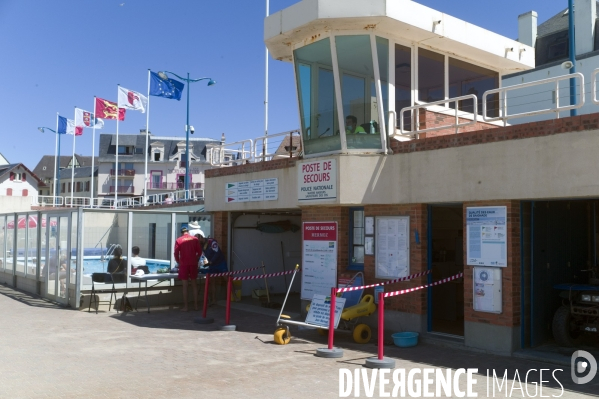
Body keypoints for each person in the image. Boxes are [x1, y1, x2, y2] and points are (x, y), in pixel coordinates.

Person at [174, 226, 202, 311]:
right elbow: (200, 252)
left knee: (185, 286)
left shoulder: (179, 240)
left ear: (181, 232)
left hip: (184, 264)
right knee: (194, 285)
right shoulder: (195, 239)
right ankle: (196, 306)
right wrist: (196, 258)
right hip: (193, 263)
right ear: (188, 231)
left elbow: (176, 253)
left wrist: (178, 261)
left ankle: (186, 307)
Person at [197, 233, 228, 305]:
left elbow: (217, 253)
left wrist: (211, 262)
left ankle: (234, 296)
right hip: (212, 265)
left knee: (227, 279)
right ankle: (214, 299)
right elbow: (200, 255)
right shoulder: (201, 245)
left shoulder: (212, 242)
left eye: (198, 240)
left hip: (220, 263)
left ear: (201, 238)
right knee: (212, 282)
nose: (198, 242)